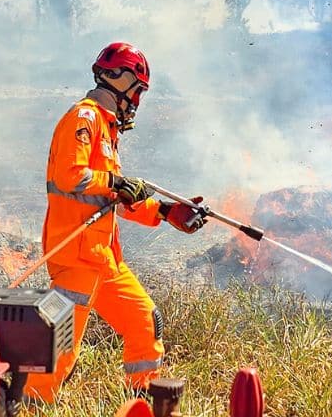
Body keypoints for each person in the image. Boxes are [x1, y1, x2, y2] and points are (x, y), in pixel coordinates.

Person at [24, 42, 208, 402]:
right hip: (76, 257)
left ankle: (140, 405)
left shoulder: (108, 131)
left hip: (104, 258)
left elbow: (114, 201)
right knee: (58, 353)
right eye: (137, 89)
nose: (137, 100)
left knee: (143, 321)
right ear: (115, 78)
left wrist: (167, 212)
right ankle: (29, 407)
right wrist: (117, 182)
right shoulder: (85, 117)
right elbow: (70, 176)